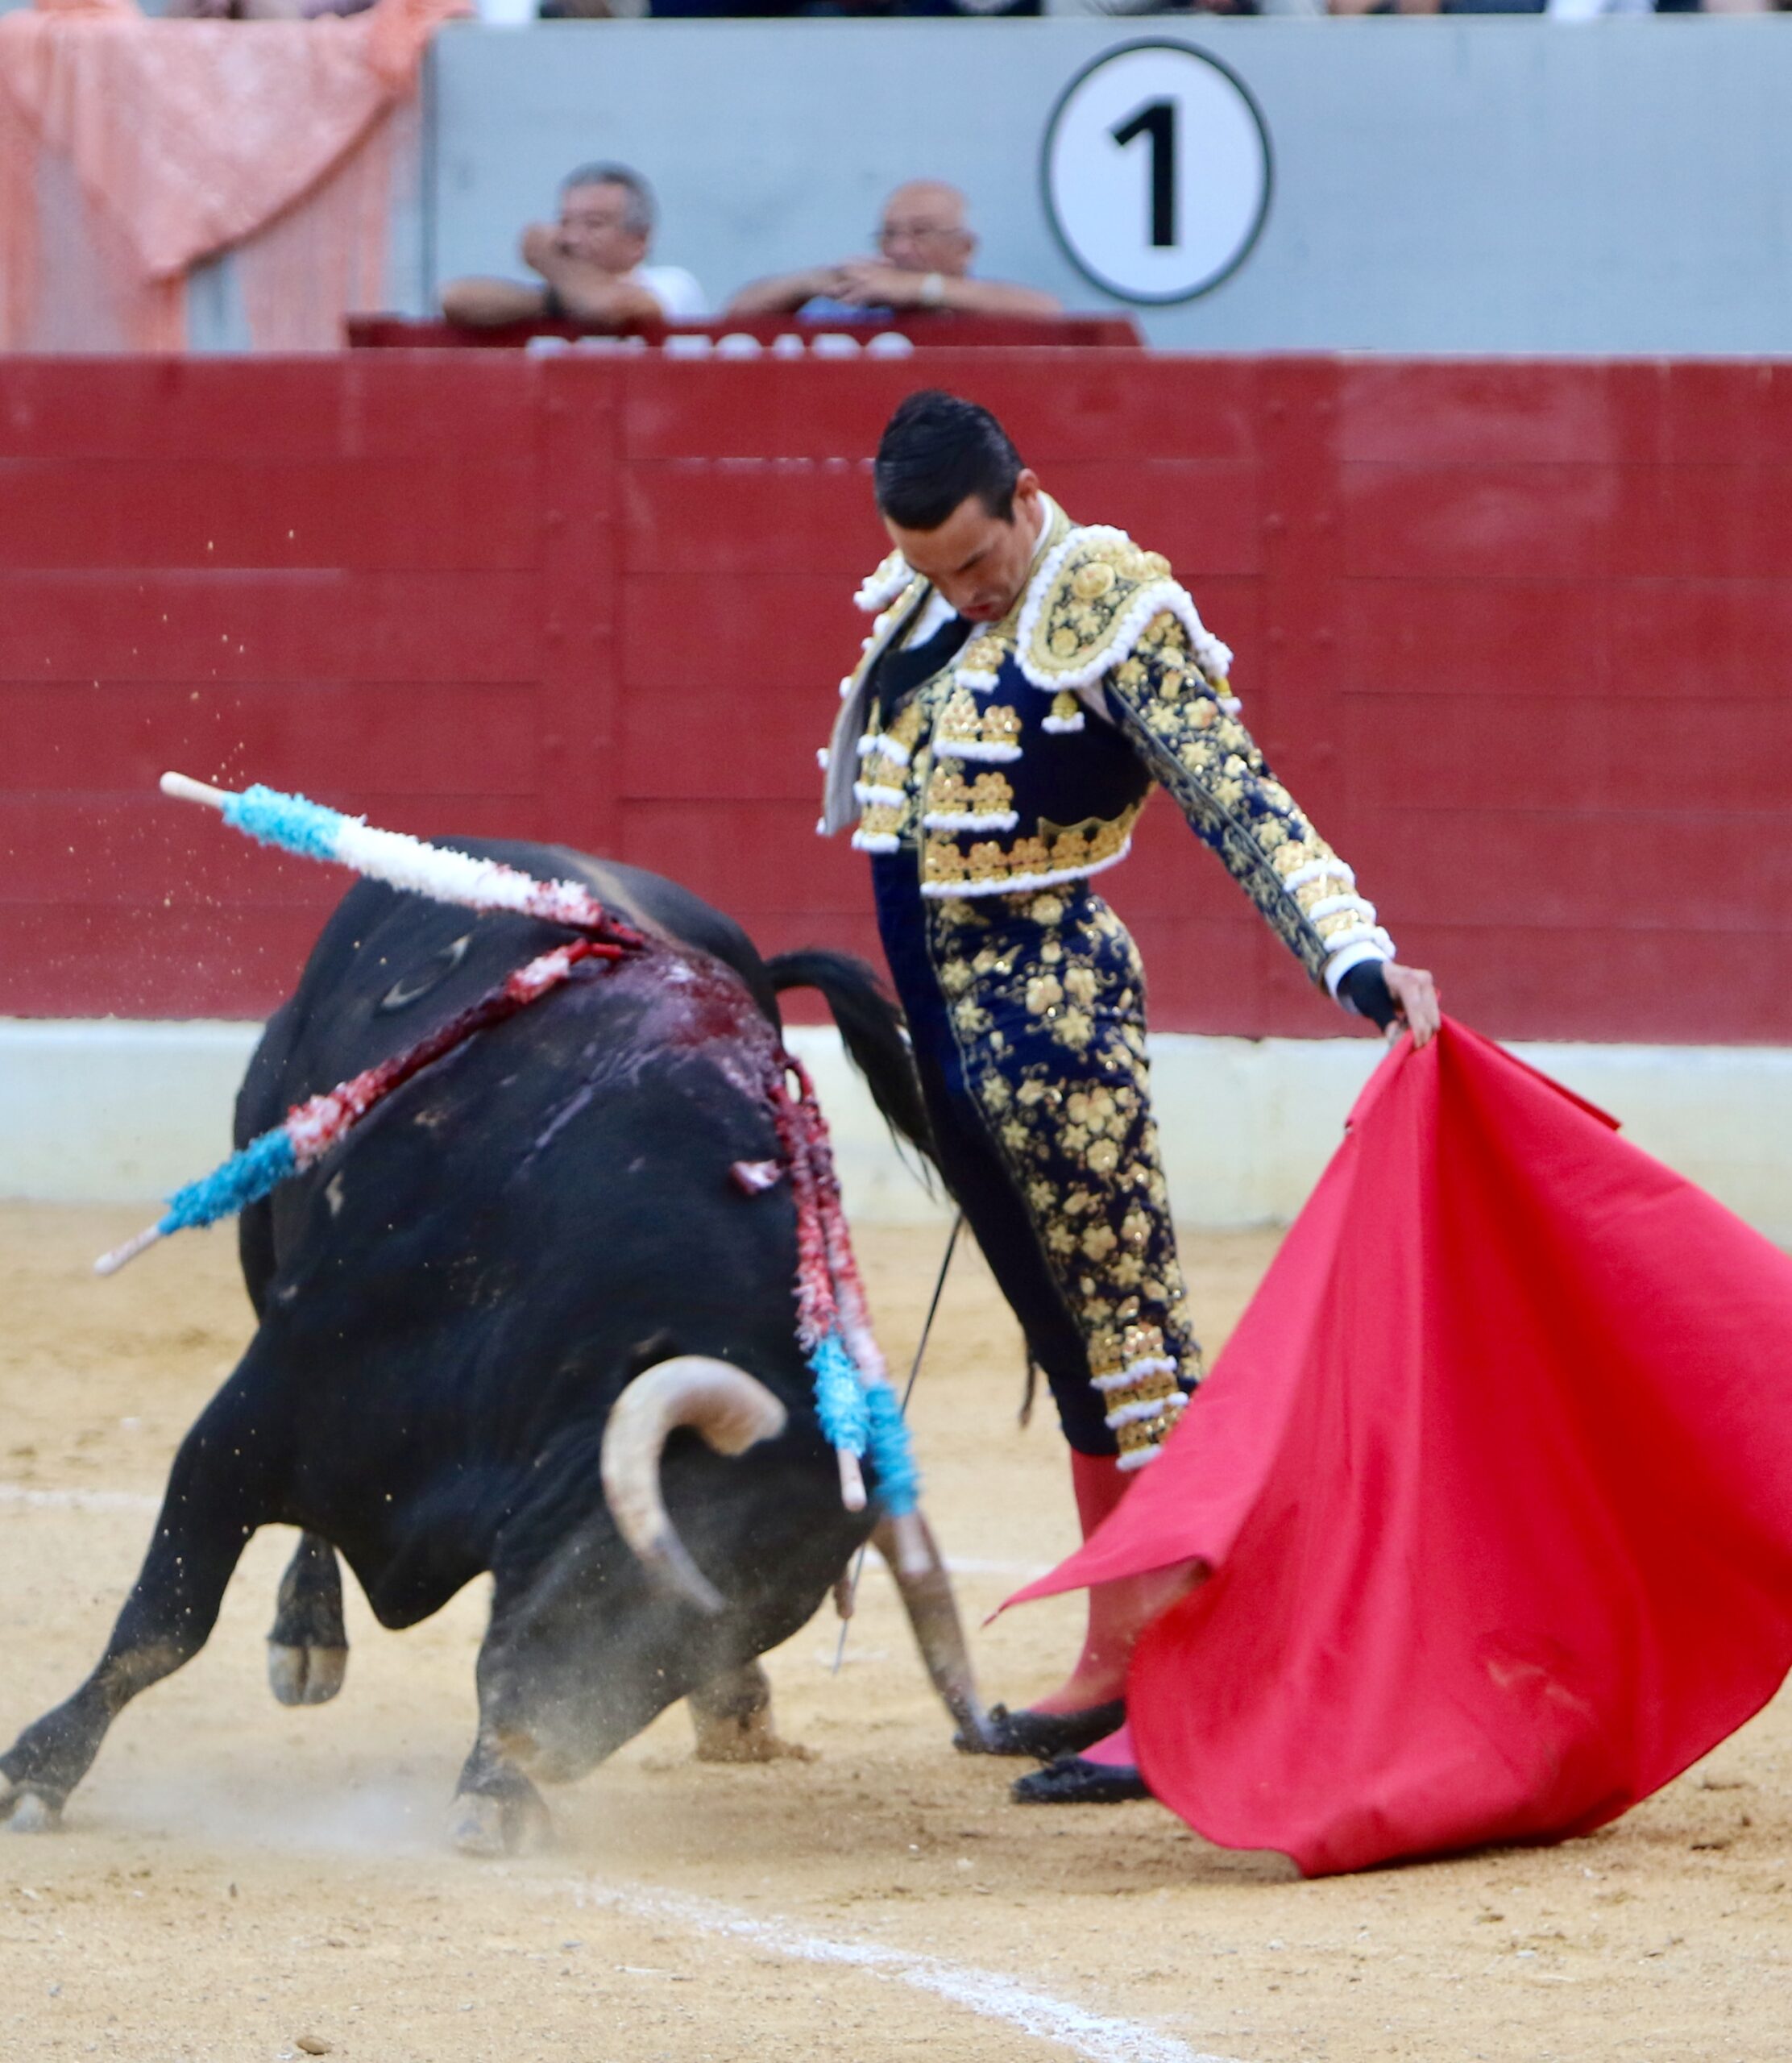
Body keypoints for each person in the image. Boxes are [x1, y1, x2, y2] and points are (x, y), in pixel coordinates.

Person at [817, 390, 1438, 1791]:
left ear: (1025, 494)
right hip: (951, 1046)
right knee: (1067, 1345)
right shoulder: (920, 608)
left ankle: (1193, 1689)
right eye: (934, 572)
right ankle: (1120, 1652)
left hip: (1056, 1035)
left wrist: (1353, 957)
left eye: (977, 563)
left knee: (1135, 1351)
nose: (965, 594)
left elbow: (1236, 796)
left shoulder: (1108, 604)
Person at [726, 181, 1060, 322]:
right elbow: (736, 315)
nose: (900, 248)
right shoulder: (860, 307)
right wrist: (811, 283)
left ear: (965, 249)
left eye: (921, 233)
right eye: (889, 235)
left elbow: (1049, 314)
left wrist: (922, 289)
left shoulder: (984, 302)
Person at [438, 164, 707, 330]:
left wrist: (550, 261)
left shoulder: (674, 284)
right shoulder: (563, 295)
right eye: (565, 222)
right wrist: (555, 301)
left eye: (594, 224)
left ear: (639, 240)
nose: (571, 238)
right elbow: (454, 299)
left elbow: (613, 309)